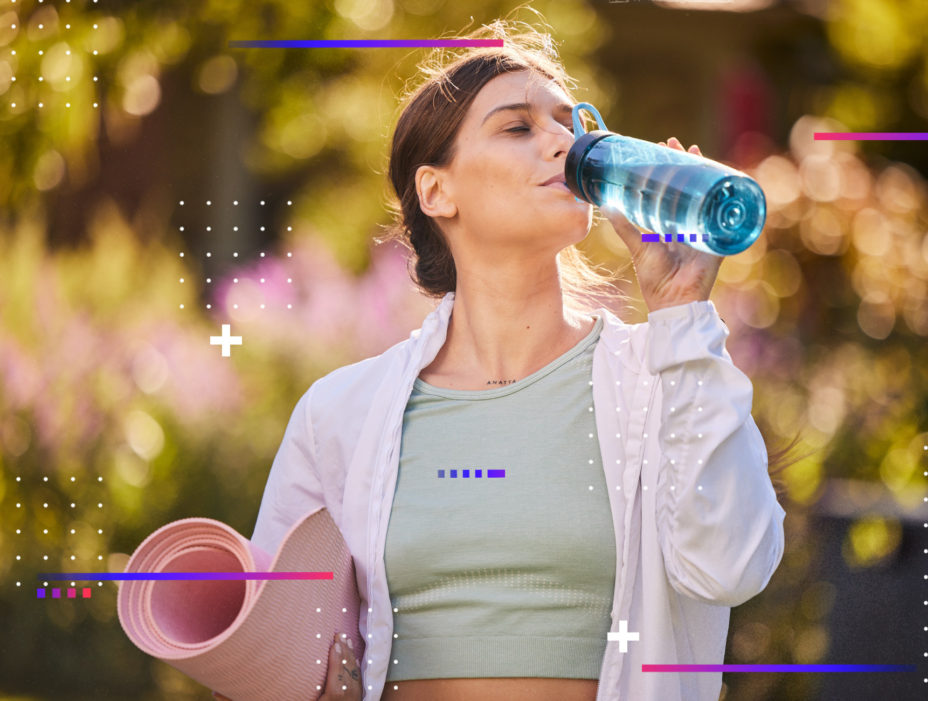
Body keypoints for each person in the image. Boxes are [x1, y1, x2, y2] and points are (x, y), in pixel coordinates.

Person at [227, 16, 795, 701]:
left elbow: (731, 567)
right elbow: (268, 655)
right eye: (518, 127)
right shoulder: (341, 415)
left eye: (570, 122)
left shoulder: (662, 376)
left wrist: (681, 313)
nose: (565, 142)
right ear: (437, 191)